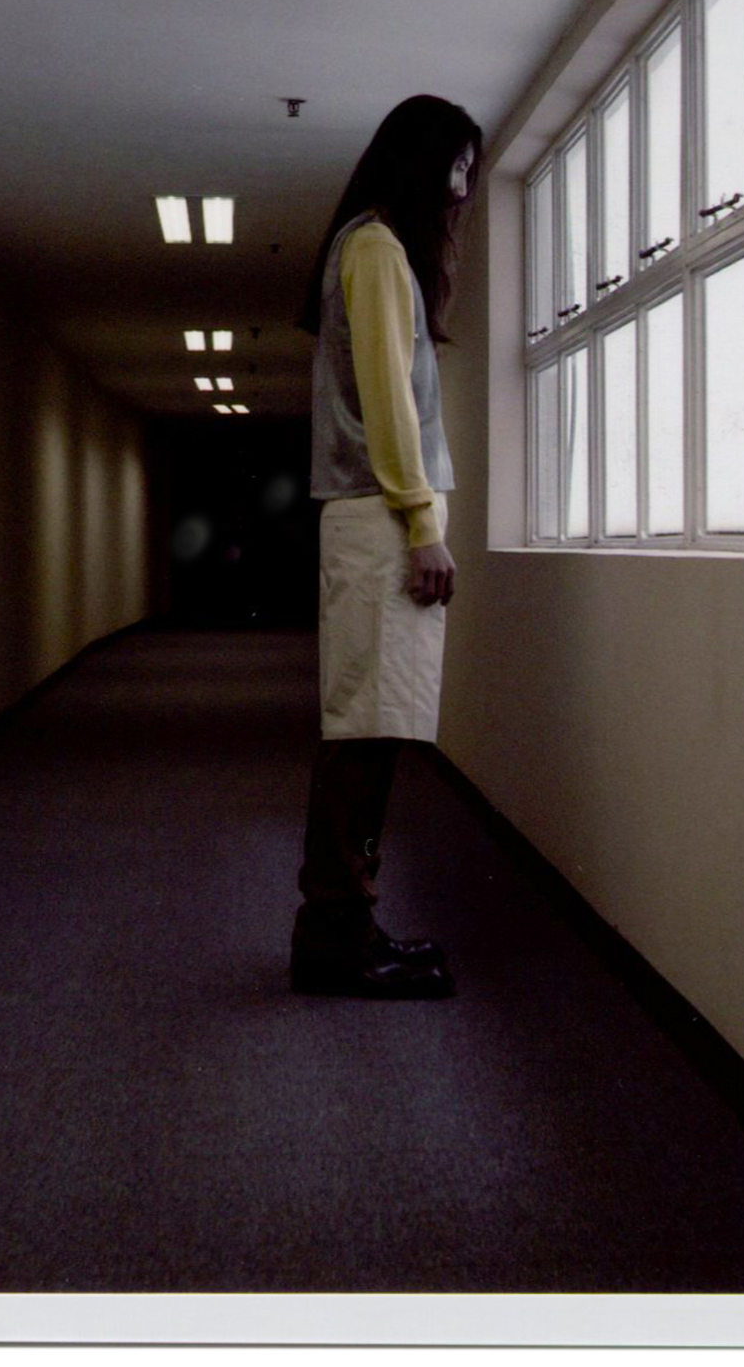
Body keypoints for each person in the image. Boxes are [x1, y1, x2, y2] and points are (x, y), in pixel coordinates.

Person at [290, 94, 482, 999]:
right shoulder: (372, 249)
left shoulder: (375, 249)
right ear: (418, 161)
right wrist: (423, 524)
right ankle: (336, 933)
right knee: (366, 731)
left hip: (379, 516)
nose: (462, 189)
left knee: (376, 728)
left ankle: (344, 928)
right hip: (381, 517)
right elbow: (389, 399)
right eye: (456, 166)